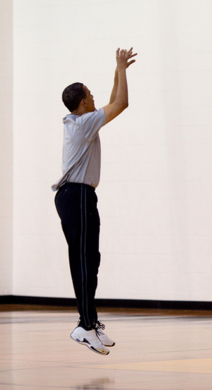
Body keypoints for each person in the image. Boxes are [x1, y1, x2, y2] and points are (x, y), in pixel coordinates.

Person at [52, 48, 137, 355]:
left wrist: (118, 70)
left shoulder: (81, 122)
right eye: (90, 93)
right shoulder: (83, 123)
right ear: (83, 102)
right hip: (77, 196)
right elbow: (121, 103)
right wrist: (121, 71)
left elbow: (113, 102)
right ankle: (85, 326)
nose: (93, 96)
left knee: (89, 260)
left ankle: (88, 323)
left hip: (75, 197)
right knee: (86, 261)